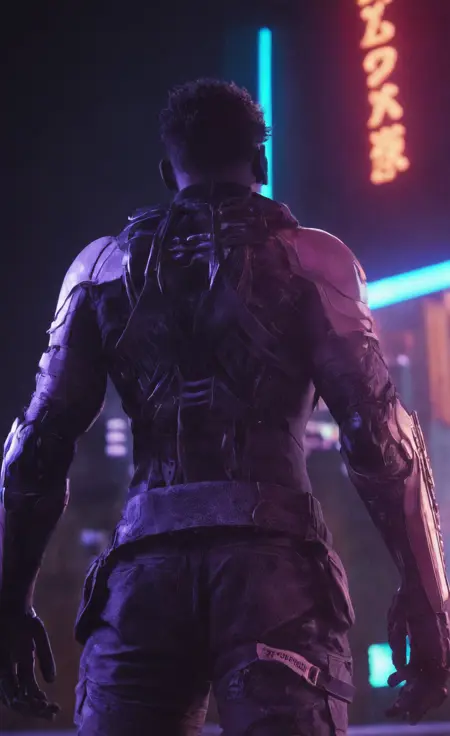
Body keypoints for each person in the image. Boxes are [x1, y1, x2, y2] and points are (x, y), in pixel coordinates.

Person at [0, 79, 449, 736]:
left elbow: (35, 450)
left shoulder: (100, 269)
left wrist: (11, 599)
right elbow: (378, 434)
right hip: (276, 573)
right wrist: (429, 597)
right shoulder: (313, 260)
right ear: (260, 163)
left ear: (167, 171)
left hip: (143, 576)